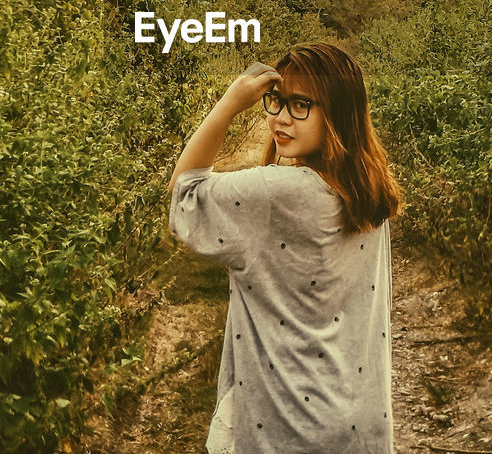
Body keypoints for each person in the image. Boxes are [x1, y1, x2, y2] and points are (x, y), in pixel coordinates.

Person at [169, 43, 403, 453]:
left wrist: (228, 105)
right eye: (276, 101)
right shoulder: (367, 190)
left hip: (287, 424)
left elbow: (184, 197)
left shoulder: (279, 193)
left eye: (301, 105)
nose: (280, 117)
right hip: (358, 422)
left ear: (337, 113)